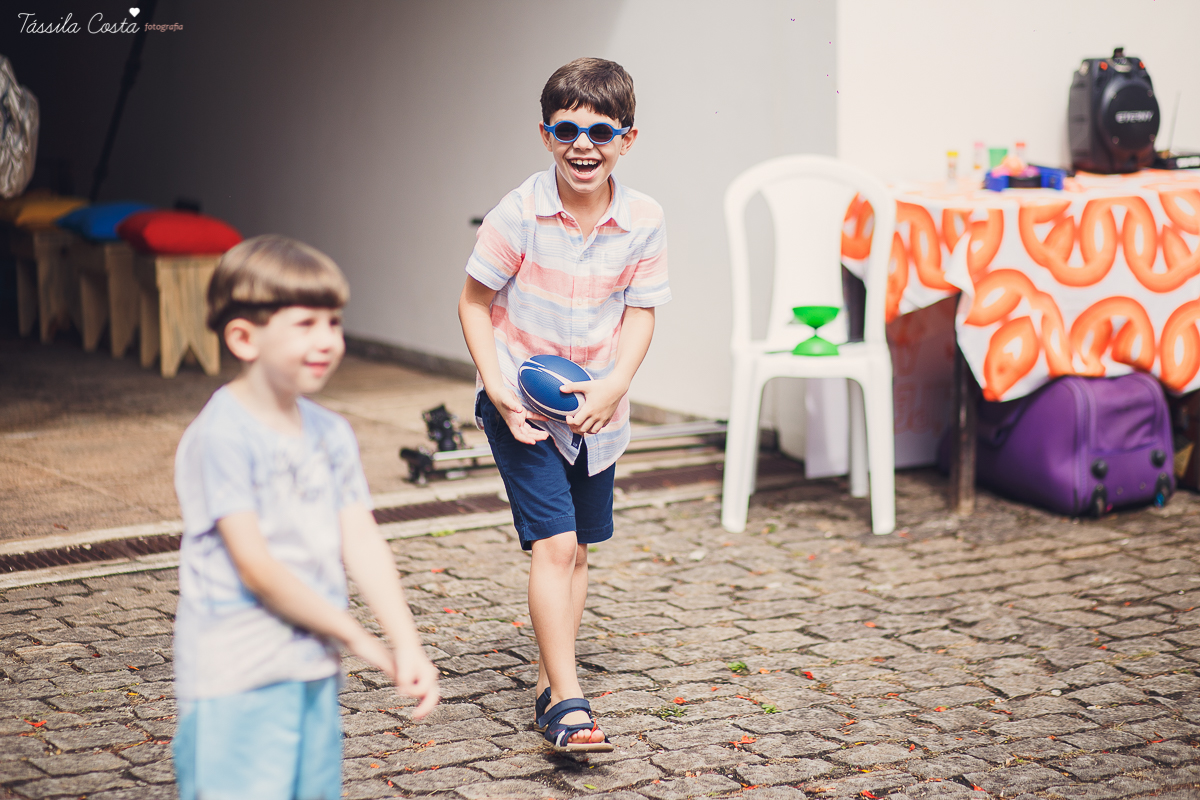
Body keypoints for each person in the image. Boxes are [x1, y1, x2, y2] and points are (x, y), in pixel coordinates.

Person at [172, 235, 439, 799]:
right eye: (306, 324)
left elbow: (360, 539)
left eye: (334, 322)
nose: (327, 341)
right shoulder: (221, 436)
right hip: (237, 676)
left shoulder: (331, 433)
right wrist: (357, 637)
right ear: (243, 337)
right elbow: (257, 568)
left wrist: (405, 640)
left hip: (312, 668)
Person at [458, 57, 670, 753]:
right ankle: (567, 701)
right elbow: (474, 300)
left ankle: (553, 678)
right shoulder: (518, 214)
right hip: (521, 405)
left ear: (628, 139)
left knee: (577, 550)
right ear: (546, 134)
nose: (584, 144)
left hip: (598, 414)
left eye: (601, 131)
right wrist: (495, 387)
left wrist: (613, 386)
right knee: (553, 544)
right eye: (568, 129)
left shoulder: (643, 219)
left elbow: (641, 312)